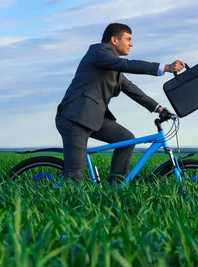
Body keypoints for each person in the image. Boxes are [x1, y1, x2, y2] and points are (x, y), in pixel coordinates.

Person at [55, 23, 185, 185]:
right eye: (128, 39)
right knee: (74, 177)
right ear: (114, 40)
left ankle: (114, 189)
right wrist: (165, 67)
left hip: (92, 118)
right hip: (75, 118)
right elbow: (127, 64)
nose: (131, 44)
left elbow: (132, 90)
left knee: (126, 140)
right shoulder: (99, 52)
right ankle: (60, 207)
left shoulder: (110, 65)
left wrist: (159, 109)